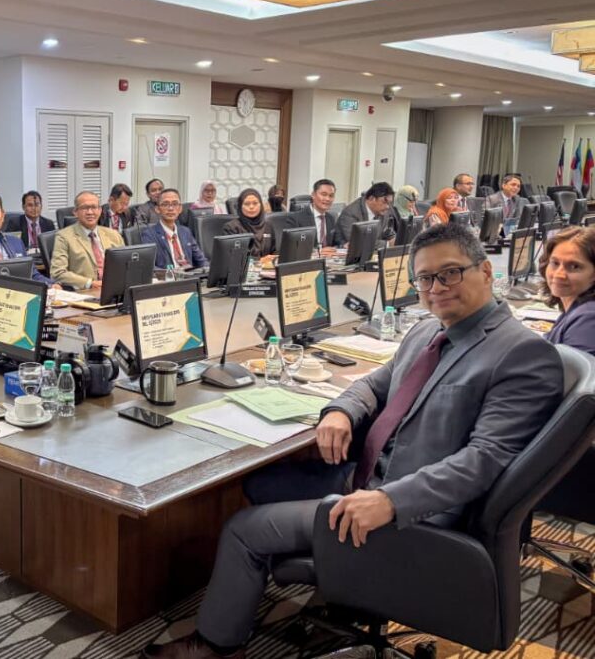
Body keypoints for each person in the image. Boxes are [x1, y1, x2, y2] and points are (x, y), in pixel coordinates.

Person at [142, 222, 563, 659]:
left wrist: (391, 501)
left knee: (245, 530)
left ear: (486, 271)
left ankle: (217, 645)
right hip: (371, 475)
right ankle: (335, 589)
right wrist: (340, 411)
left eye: (450, 273)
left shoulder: (520, 353)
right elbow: (374, 384)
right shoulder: (429, 330)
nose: (436, 288)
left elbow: (483, 461)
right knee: (260, 483)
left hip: (415, 514)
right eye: (424, 278)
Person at [50, 191, 124, 289]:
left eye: (94, 207)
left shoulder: (114, 235)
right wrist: (90, 283)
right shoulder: (63, 237)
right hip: (85, 292)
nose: (90, 212)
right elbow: (58, 272)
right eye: (84, 208)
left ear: (100, 210)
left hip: (115, 289)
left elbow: (126, 265)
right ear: (75, 212)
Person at [540, 226, 595, 355]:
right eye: (555, 263)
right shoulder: (576, 308)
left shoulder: (588, 318)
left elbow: (570, 368)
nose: (559, 274)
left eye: (574, 266)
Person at [140, 188, 208, 270]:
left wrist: (209, 270)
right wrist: (170, 273)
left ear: (180, 209)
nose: (171, 208)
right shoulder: (149, 234)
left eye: (175, 204)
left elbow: (201, 261)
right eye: (165, 204)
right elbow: (149, 267)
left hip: (190, 275)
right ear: (157, 209)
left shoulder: (185, 232)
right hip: (168, 276)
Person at [288, 179, 340, 254]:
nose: (327, 199)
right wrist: (318, 251)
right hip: (308, 260)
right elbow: (293, 246)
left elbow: (336, 242)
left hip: (329, 259)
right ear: (313, 195)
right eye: (324, 194)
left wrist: (344, 245)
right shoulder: (295, 219)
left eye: (331, 196)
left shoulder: (332, 218)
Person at [336, 181, 395, 245]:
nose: (387, 207)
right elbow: (358, 241)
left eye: (389, 203)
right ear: (371, 198)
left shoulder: (383, 212)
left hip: (373, 250)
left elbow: (387, 233)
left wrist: (395, 239)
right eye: (384, 202)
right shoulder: (351, 213)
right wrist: (387, 244)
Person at [221, 188, 273, 256]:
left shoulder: (268, 225)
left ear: (261, 205)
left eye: (255, 203)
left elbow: (274, 251)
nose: (251, 207)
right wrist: (259, 261)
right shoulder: (231, 228)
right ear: (240, 206)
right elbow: (232, 256)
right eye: (247, 204)